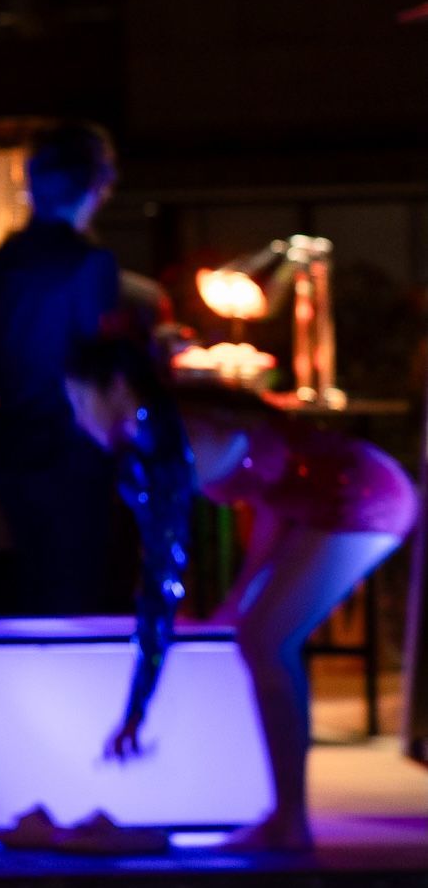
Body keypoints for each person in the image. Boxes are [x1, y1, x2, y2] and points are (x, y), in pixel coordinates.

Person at [65, 334, 418, 853]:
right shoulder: (169, 423)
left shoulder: (170, 440)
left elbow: (160, 583)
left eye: (78, 401)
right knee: (251, 632)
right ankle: (283, 816)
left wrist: (136, 708)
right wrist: (242, 595)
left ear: (117, 389)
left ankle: (289, 821)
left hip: (363, 494)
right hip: (328, 498)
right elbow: (277, 493)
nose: (77, 419)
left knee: (266, 641)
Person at [0, 122, 123, 614]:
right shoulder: (88, 265)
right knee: (80, 594)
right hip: (76, 452)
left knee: (24, 593)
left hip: (10, 447)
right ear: (96, 188)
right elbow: (102, 366)